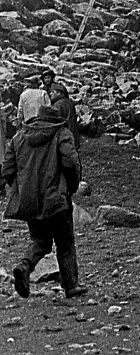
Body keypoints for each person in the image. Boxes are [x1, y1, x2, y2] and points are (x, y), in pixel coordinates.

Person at [1, 102, 86, 300]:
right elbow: (71, 163)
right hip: (56, 198)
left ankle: (24, 266)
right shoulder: (62, 134)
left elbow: (7, 170)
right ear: (56, 120)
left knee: (40, 241)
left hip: (30, 201)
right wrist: (70, 187)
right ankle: (71, 285)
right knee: (65, 242)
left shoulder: (19, 137)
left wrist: (23, 190)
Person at [48, 82, 81, 155]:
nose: (50, 94)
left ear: (60, 93)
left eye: (53, 92)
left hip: (64, 138)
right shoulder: (69, 102)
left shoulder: (57, 105)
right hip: (73, 136)